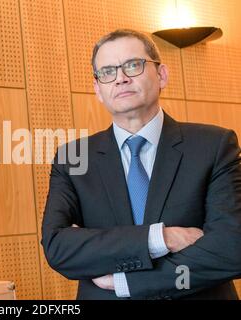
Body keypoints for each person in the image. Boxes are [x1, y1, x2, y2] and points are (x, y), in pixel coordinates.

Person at [42, 29, 241, 299]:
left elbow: (231, 248)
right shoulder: (73, 157)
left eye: (133, 66)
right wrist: (160, 238)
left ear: (162, 75)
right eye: (107, 72)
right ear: (98, 90)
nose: (121, 79)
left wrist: (128, 283)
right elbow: (58, 247)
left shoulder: (214, 145)